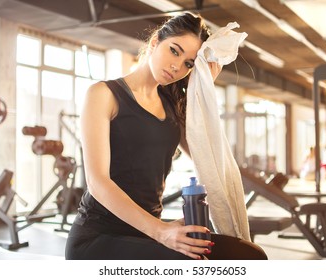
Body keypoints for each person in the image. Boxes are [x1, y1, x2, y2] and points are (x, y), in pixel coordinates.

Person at [65, 12, 267, 260]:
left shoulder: (173, 106)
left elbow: (208, 154)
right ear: (154, 42)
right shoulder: (103, 94)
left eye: (189, 63)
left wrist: (201, 87)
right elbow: (98, 183)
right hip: (99, 238)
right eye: (174, 50)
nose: (177, 66)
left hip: (147, 233)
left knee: (248, 255)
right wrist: (161, 232)